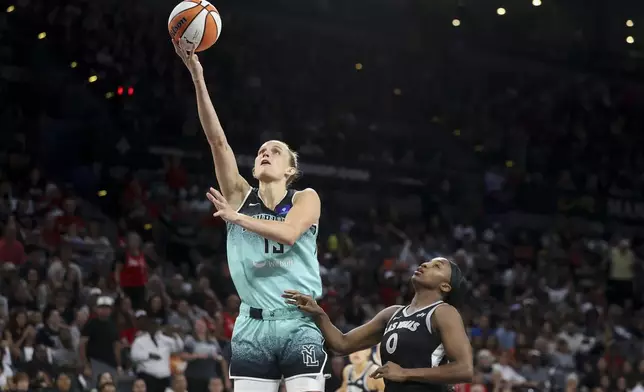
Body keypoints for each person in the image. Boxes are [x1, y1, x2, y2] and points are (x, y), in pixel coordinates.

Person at [174, 44, 325, 392]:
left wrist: (236, 219)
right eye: (261, 151)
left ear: (290, 169)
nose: (265, 153)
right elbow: (217, 141)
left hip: (299, 322)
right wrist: (198, 77)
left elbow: (288, 233)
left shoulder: (305, 197)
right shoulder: (240, 198)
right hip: (251, 326)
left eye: (275, 151)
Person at [284, 257, 474, 392]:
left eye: (437, 266)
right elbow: (342, 344)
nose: (425, 264)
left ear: (445, 286)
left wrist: (405, 373)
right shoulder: (392, 313)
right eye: (428, 262)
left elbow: (464, 369)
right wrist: (319, 314)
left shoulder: (443, 312)